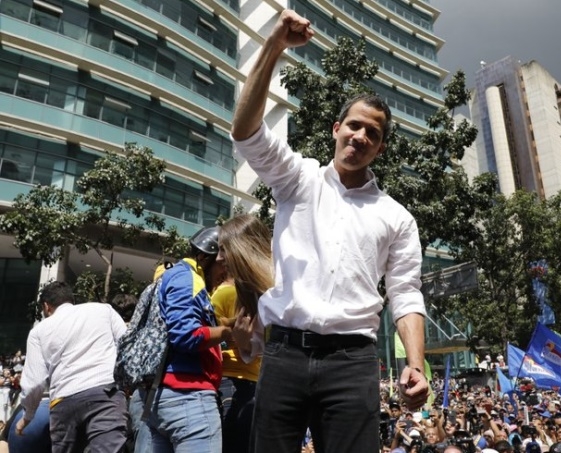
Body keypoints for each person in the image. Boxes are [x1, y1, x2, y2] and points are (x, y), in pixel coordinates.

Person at [230, 8, 429, 453]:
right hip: (283, 355)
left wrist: (416, 364)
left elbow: (405, 293)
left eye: (372, 133)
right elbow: (245, 132)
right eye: (354, 125)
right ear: (336, 129)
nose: (360, 136)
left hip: (353, 363)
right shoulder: (296, 178)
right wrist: (274, 45)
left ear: (380, 148)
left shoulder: (397, 217)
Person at [133, 226, 232, 453]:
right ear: (204, 258)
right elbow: (188, 336)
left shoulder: (173, 277)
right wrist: (227, 332)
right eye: (223, 266)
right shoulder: (189, 278)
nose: (225, 275)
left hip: (160, 398)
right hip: (188, 399)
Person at [16, 281, 128, 452]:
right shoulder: (103, 310)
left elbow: (35, 382)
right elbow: (127, 346)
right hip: (105, 395)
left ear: (46, 306)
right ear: (71, 299)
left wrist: (28, 416)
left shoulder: (38, 332)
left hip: (63, 403)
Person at [213, 214, 273, 452]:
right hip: (262, 384)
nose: (219, 258)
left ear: (242, 247)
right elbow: (261, 345)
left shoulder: (284, 277)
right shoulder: (244, 290)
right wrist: (245, 342)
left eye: (223, 249)